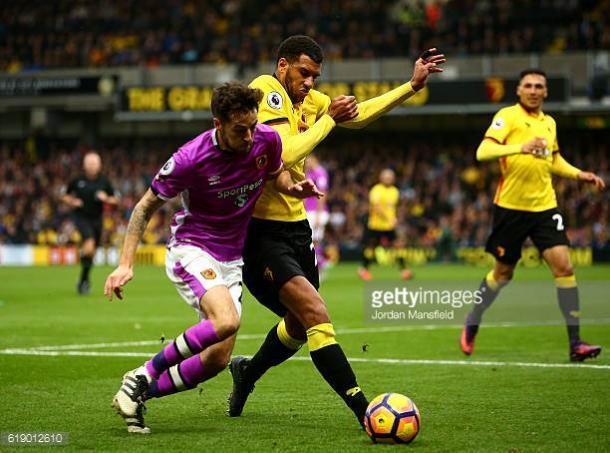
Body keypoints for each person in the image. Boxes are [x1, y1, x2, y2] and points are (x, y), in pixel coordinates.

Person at [227, 35, 445, 427]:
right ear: (283, 66)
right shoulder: (266, 91)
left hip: (296, 229)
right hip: (260, 233)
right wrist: (329, 120)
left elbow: (358, 114)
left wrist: (410, 87)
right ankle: (366, 412)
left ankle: (248, 372)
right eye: (303, 72)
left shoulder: (310, 101)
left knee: (297, 323)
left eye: (315, 76)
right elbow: (284, 152)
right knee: (315, 313)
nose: (310, 82)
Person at [104, 82, 322, 434]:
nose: (250, 136)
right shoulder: (190, 158)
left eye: (253, 126)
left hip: (231, 259)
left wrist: (292, 187)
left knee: (217, 359)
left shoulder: (266, 139)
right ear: (217, 123)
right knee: (227, 320)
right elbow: (145, 206)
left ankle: (141, 394)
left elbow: (274, 172)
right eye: (240, 130)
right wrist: (125, 263)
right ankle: (143, 373)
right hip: (193, 248)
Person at [460, 69, 606, 362]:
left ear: (546, 92)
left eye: (539, 86)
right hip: (510, 209)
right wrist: (520, 147)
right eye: (528, 85)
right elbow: (483, 151)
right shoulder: (508, 116)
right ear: (519, 90)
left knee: (564, 267)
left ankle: (576, 343)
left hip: (544, 208)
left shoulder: (549, 123)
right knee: (503, 274)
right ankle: (473, 318)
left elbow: (553, 160)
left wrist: (580, 174)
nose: (534, 90)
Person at [62, 152, 118, 294]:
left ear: (99, 165)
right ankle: (83, 278)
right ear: (84, 165)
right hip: (81, 218)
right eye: (89, 163)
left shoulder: (104, 181)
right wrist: (73, 201)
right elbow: (65, 196)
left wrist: (106, 198)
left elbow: (115, 199)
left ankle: (83, 281)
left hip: (97, 220)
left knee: (91, 252)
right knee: (89, 245)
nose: (92, 166)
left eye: (94, 163)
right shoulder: (77, 180)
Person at [358, 168, 413, 281]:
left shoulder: (395, 191)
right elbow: (376, 207)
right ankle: (364, 269)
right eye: (386, 177)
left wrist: (395, 218)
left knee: (398, 246)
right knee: (370, 249)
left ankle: (404, 270)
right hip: (375, 225)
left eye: (390, 177)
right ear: (381, 178)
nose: (388, 179)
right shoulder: (376, 190)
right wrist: (389, 218)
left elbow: (393, 208)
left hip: (389, 226)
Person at [304, 155, 330, 278]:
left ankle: (321, 266)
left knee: (315, 240)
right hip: (308, 211)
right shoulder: (308, 173)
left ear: (316, 160)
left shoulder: (320, 173)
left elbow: (323, 194)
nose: (307, 163)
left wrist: (319, 214)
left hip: (317, 212)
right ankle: (320, 264)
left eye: (309, 161)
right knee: (312, 240)